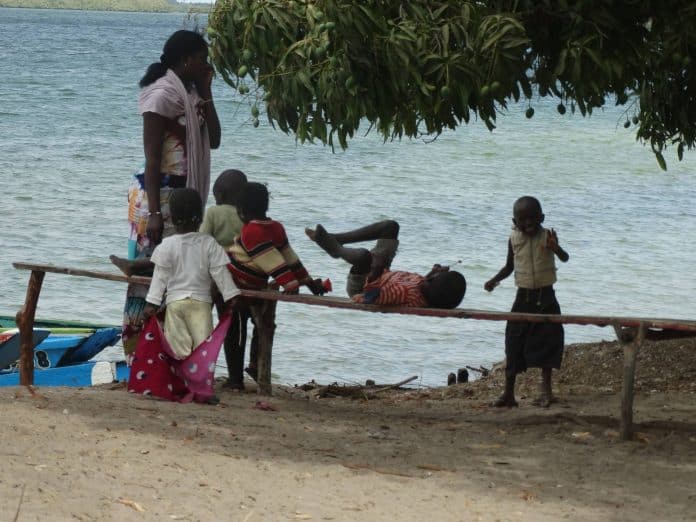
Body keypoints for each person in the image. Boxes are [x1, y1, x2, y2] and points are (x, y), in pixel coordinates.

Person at [119, 29, 222, 360]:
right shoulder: (161, 96)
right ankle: (139, 354)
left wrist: (206, 91)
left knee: (179, 271)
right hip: (157, 195)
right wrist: (153, 214)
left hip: (184, 195)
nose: (205, 65)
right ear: (186, 59)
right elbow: (151, 158)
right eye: (202, 59)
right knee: (149, 274)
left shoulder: (193, 95)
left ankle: (173, 353)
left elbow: (216, 139)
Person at [127, 188, 240, 404]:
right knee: (202, 349)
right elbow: (220, 274)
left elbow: (160, 278)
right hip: (201, 304)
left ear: (171, 216)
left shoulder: (167, 246)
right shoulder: (209, 244)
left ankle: (181, 387)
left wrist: (151, 303)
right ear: (201, 216)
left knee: (179, 348)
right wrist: (231, 295)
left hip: (175, 303)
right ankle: (202, 391)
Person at [225, 182, 326, 389]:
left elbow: (272, 261)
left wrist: (289, 282)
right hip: (257, 283)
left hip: (239, 282)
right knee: (259, 324)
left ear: (241, 210)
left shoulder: (251, 231)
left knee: (231, 318)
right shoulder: (276, 227)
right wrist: (307, 281)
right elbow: (288, 256)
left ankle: (235, 377)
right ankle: (254, 364)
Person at [484, 196, 569, 408]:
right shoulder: (513, 238)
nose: (528, 223)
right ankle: (508, 394)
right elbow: (509, 267)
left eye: (533, 218)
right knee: (513, 343)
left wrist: (556, 248)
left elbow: (565, 258)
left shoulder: (547, 236)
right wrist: (494, 280)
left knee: (549, 342)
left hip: (546, 296)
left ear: (542, 217)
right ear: (514, 221)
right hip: (523, 298)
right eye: (523, 219)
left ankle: (546, 392)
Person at [305, 220, 466, 308]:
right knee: (391, 227)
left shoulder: (402, 292)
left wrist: (375, 270)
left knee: (363, 256)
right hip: (383, 271)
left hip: (363, 285)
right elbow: (419, 287)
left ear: (433, 283)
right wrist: (431, 272)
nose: (439, 272)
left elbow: (368, 297)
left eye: (440, 275)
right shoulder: (425, 289)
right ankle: (336, 239)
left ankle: (336, 250)